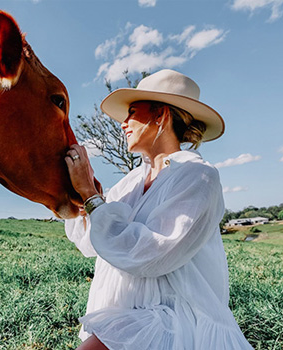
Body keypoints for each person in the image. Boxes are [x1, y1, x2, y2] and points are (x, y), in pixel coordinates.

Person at [64, 69, 253, 350]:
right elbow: (93, 242)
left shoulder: (198, 176)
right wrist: (78, 192)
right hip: (126, 311)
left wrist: (91, 195)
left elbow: (151, 254)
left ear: (161, 115)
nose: (123, 124)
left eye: (132, 112)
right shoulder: (129, 183)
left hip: (175, 319)